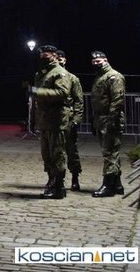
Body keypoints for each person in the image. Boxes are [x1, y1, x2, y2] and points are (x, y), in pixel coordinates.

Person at [28, 45, 72, 199]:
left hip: (56, 120)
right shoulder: (41, 74)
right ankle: (51, 181)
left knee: (57, 153)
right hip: (44, 120)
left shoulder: (59, 72)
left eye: (46, 56)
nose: (43, 59)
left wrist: (38, 92)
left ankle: (59, 187)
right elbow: (36, 102)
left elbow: (62, 92)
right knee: (47, 154)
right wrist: (33, 119)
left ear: (54, 55)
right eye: (41, 56)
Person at [90, 50, 126, 197]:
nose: (96, 64)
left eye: (98, 61)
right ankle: (117, 184)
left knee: (109, 153)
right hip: (101, 119)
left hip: (110, 119)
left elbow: (117, 100)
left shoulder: (114, 76)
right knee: (111, 152)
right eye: (94, 62)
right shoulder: (100, 77)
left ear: (105, 60)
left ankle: (108, 185)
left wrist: (111, 120)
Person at [57, 50, 83, 191]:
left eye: (61, 58)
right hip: (55, 120)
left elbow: (79, 101)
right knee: (56, 151)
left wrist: (76, 120)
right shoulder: (51, 78)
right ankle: (57, 178)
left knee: (71, 151)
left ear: (65, 60)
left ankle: (75, 177)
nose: (59, 61)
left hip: (68, 120)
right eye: (57, 58)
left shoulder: (72, 79)